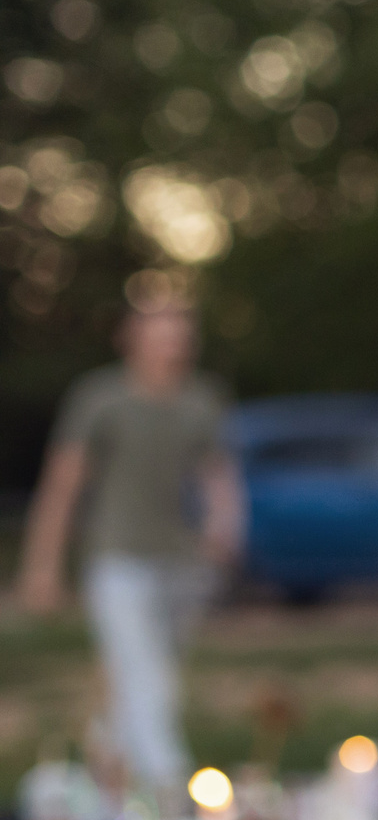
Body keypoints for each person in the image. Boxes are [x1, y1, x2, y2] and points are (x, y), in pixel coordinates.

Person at [15, 293, 242, 792]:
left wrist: (224, 528)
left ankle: (109, 788)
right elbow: (63, 483)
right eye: (161, 334)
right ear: (131, 338)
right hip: (116, 559)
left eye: (180, 334)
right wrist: (42, 566)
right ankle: (171, 787)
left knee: (143, 680)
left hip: (180, 561)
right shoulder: (101, 399)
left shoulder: (201, 400)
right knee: (146, 677)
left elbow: (217, 475)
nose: (172, 346)